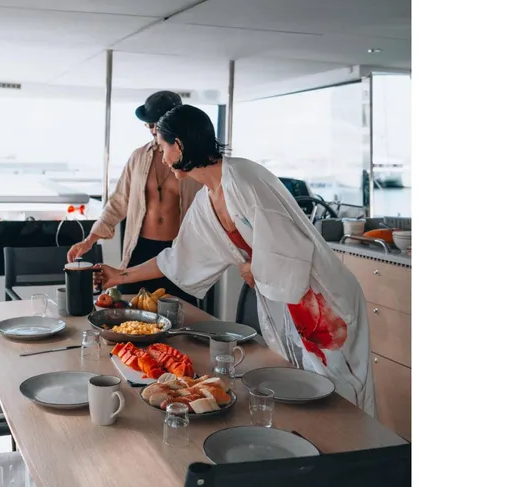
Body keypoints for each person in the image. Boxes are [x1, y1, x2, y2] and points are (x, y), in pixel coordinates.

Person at [95, 105, 375, 415]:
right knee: (312, 390)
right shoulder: (206, 201)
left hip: (325, 296)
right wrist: (117, 276)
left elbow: (291, 245)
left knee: (341, 393)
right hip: (292, 299)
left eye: (163, 148)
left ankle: (363, 457)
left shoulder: (243, 178)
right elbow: (177, 259)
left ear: (181, 145)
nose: (162, 158)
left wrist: (252, 266)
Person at [67, 91, 202, 303]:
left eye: (157, 123)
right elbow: (118, 202)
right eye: (149, 125)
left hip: (178, 253)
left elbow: (216, 211)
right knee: (129, 316)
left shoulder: (195, 162)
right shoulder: (139, 157)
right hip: (139, 251)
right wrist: (89, 240)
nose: (154, 129)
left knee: (181, 319)